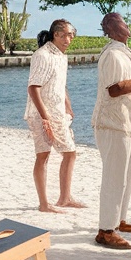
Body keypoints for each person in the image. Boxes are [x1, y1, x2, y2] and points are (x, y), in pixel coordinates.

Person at [91, 12, 131, 250]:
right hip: (113, 123)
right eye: (120, 21)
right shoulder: (113, 55)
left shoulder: (122, 52)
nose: (126, 24)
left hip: (126, 122)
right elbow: (115, 89)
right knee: (114, 177)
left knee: (126, 175)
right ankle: (105, 230)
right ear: (111, 28)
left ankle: (119, 220)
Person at [25, 19, 84, 212]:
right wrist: (45, 119)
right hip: (40, 113)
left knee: (70, 153)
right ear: (56, 34)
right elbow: (33, 88)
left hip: (58, 113)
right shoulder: (42, 55)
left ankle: (65, 198)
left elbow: (60, 84)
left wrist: (68, 105)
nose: (70, 39)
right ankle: (44, 204)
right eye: (66, 35)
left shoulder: (61, 55)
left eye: (72, 35)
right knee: (43, 156)